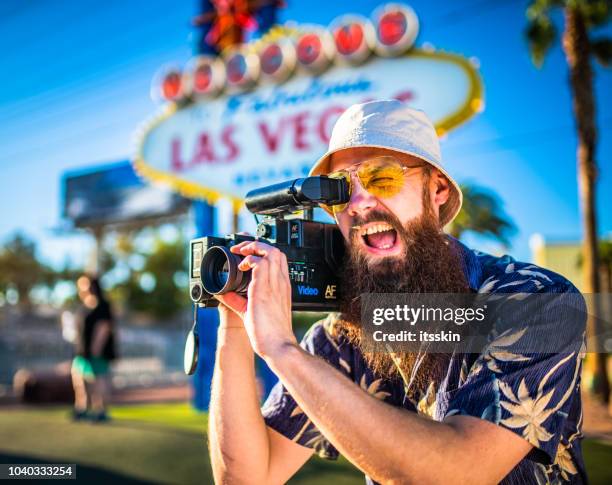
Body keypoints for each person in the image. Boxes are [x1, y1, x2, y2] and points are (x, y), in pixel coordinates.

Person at [208, 100, 586, 484]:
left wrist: (282, 350)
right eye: (340, 191)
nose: (358, 203)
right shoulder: (341, 337)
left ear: (437, 190)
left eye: (382, 178)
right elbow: (247, 478)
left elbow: (457, 472)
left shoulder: (537, 300)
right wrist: (235, 325)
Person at [71, 275, 116, 422]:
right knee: (79, 380)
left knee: (98, 381)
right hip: (82, 351)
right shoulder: (83, 306)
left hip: (96, 352)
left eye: (83, 284)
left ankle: (100, 411)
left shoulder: (102, 305)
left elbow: (105, 327)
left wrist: (96, 348)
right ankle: (81, 408)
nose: (81, 288)